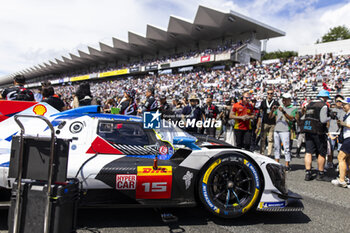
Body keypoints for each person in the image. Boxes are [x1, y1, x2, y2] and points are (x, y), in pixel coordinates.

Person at [302, 90, 331, 181]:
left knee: (309, 152)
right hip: (318, 131)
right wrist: (331, 116)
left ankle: (308, 172)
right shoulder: (323, 105)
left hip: (308, 129)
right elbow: (323, 120)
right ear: (325, 97)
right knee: (322, 152)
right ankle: (320, 173)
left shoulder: (309, 104)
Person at [269, 93, 297, 171]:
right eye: (283, 99)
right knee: (276, 147)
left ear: (289, 100)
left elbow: (292, 118)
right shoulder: (279, 108)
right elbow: (270, 117)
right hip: (277, 129)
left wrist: (284, 112)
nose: (283, 101)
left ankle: (287, 164)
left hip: (285, 130)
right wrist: (272, 110)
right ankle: (276, 163)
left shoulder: (293, 108)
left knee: (286, 148)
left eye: (285, 99)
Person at [331, 97, 350, 188]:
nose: (343, 105)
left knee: (341, 157)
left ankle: (342, 180)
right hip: (347, 137)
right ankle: (348, 179)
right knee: (348, 159)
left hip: (349, 138)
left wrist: (344, 124)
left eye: (345, 104)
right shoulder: (347, 114)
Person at [257, 88, 279, 156]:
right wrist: (259, 123)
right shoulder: (263, 102)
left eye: (271, 93)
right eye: (268, 93)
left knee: (271, 139)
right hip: (264, 122)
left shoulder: (275, 102)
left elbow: (277, 113)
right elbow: (260, 112)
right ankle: (262, 152)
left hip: (272, 123)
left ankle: (269, 153)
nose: (269, 95)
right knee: (263, 138)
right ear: (266, 94)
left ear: (273, 94)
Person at [327, 95, 346, 169]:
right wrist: (328, 131)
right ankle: (329, 163)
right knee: (330, 149)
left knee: (340, 150)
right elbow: (327, 122)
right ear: (335, 101)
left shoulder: (345, 111)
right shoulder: (330, 110)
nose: (339, 103)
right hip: (331, 131)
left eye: (341, 101)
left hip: (341, 132)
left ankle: (340, 163)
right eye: (338, 101)